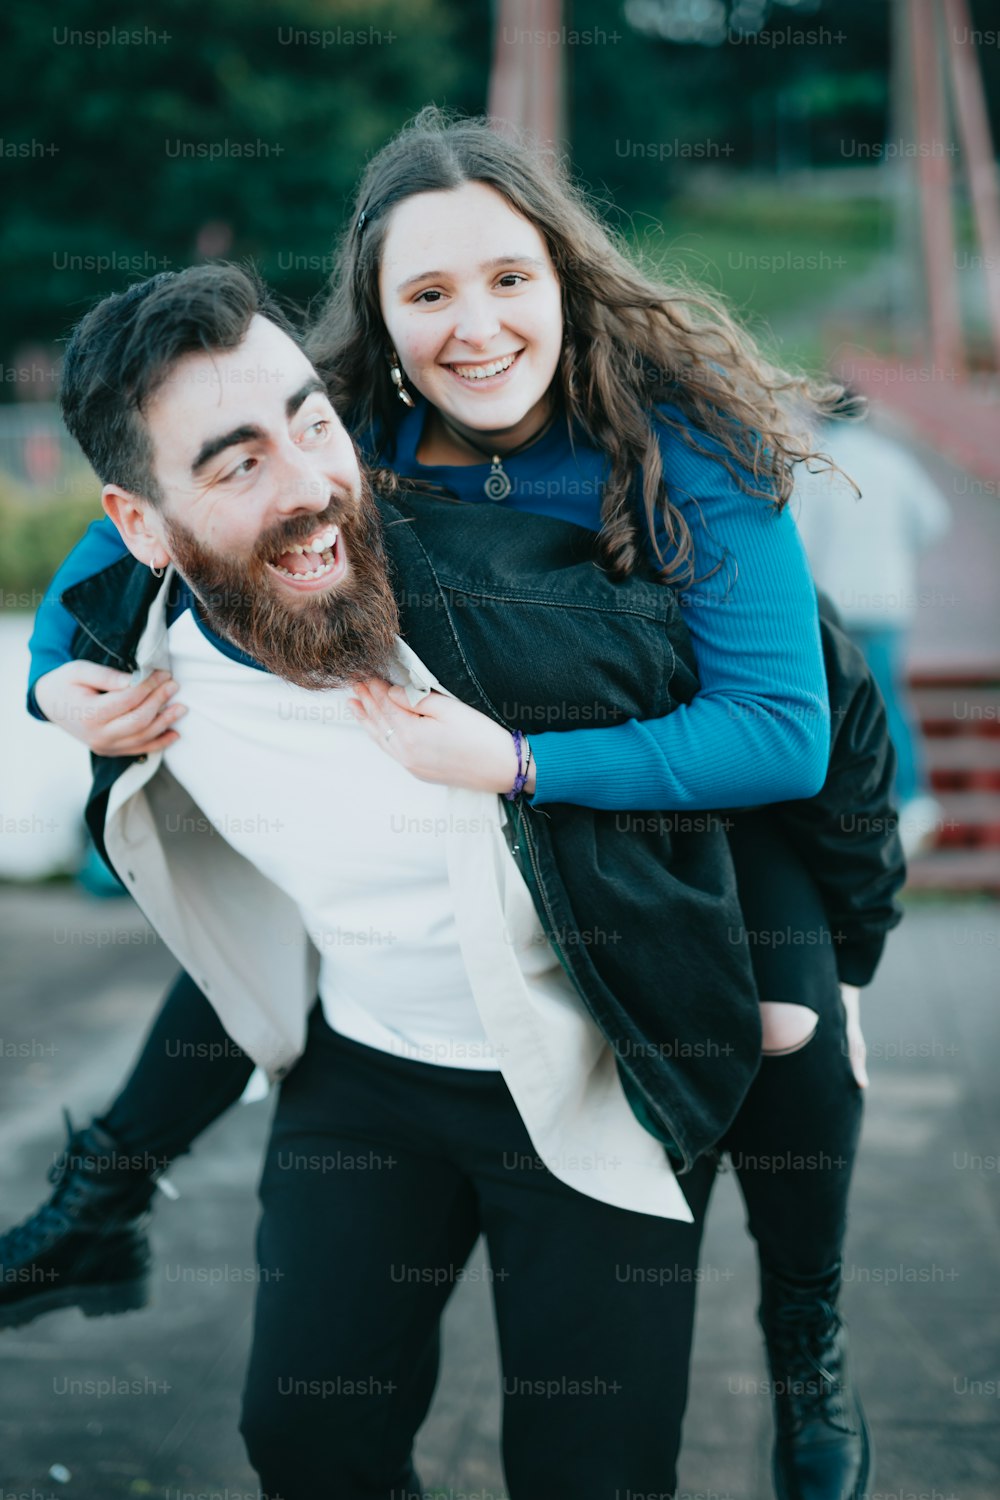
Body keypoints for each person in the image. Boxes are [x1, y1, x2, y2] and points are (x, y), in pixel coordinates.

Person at [7, 113, 905, 1499]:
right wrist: (55, 680)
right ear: (377, 311)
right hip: (484, 862)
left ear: (562, 276)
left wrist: (527, 766)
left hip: (722, 800)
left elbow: (779, 732)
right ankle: (103, 1190)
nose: (473, 326)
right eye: (426, 293)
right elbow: (126, 540)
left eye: (506, 278)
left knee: (796, 1019)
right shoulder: (353, 431)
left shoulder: (687, 444)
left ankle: (807, 1338)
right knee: (326, 906)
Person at [793, 391, 951, 857]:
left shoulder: (814, 463)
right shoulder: (892, 458)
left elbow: (797, 536)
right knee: (887, 699)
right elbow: (934, 520)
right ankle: (914, 800)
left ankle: (854, 806)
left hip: (833, 604)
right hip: (885, 601)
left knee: (839, 704)